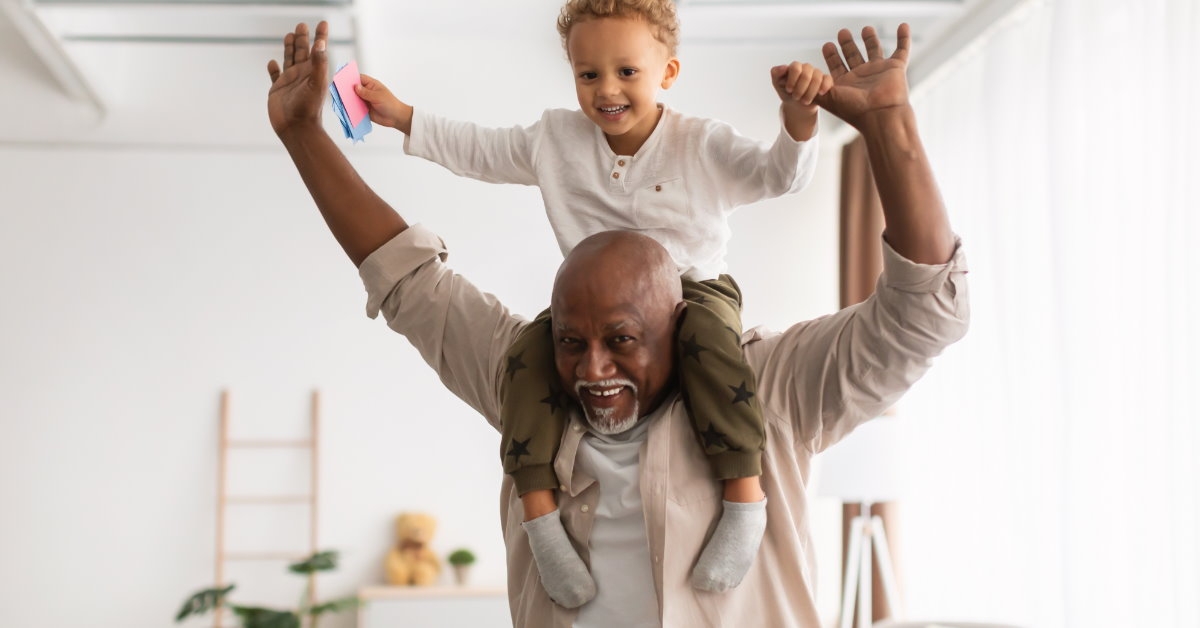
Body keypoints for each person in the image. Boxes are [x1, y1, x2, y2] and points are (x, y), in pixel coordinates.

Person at [265, 19, 969, 628]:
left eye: (623, 341)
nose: (592, 370)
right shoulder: (528, 376)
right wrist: (304, 137)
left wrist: (889, 128)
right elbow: (409, 281)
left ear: (677, 322)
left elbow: (921, 315)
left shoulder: (770, 386)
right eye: (573, 341)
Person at [351, 0, 836, 604]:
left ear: (669, 73)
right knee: (526, 360)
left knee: (714, 349)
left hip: (691, 294)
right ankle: (541, 520)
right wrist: (404, 118)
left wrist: (798, 123)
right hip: (590, 306)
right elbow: (480, 149)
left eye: (627, 72)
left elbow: (777, 177)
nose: (606, 90)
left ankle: (743, 499)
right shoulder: (556, 138)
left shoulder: (701, 144)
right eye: (588, 74)